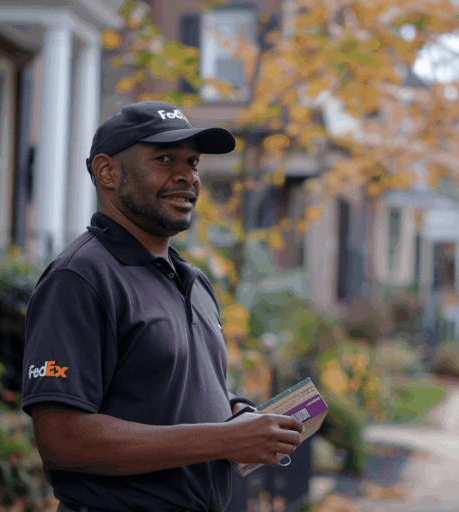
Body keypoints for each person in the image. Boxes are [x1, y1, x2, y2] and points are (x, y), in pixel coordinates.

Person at [21, 101, 304, 512]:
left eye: (193, 161)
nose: (186, 175)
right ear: (107, 172)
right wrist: (224, 439)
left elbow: (167, 387)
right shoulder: (80, 278)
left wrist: (236, 411)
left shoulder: (192, 281)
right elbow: (62, 439)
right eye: (165, 158)